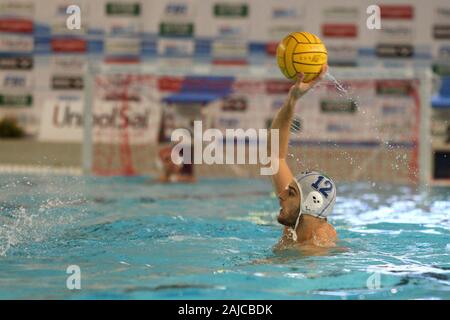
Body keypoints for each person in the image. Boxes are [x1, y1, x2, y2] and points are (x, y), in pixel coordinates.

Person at [268, 65, 338, 250]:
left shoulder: (314, 249)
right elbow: (275, 156)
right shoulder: (296, 225)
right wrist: (292, 99)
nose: (280, 195)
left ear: (312, 203)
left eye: (291, 193)